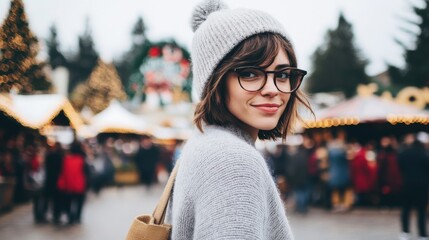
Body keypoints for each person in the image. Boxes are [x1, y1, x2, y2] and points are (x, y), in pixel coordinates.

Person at [167, 0, 312, 239]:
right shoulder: (232, 162)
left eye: (283, 74)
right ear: (215, 81)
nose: (272, 89)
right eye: (250, 73)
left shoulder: (204, 143)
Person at [397, 133, 429, 240]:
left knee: (406, 209)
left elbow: (400, 166)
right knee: (421, 211)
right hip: (421, 186)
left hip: (407, 184)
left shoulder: (405, 153)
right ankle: (422, 233)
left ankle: (405, 232)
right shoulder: (424, 154)